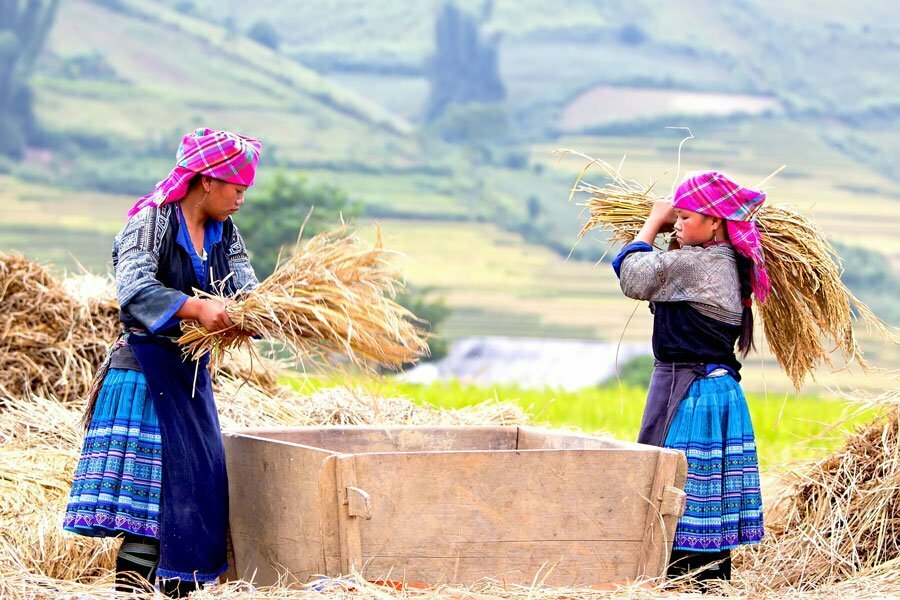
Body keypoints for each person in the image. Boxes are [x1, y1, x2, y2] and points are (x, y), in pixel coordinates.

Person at [63, 128, 263, 596]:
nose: (241, 199)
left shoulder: (223, 233)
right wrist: (197, 309)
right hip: (142, 375)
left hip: (190, 376)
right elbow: (133, 291)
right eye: (237, 188)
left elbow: (246, 292)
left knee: (194, 494)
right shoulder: (150, 222)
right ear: (207, 181)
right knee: (151, 504)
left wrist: (255, 315)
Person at [611, 171, 766, 584]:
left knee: (676, 494)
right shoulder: (719, 261)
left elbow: (634, 277)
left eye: (684, 217)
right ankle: (708, 586)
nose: (676, 224)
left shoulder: (702, 264)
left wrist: (651, 222)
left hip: (693, 394)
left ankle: (684, 585)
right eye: (674, 217)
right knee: (704, 499)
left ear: (715, 222)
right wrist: (675, 232)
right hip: (712, 390)